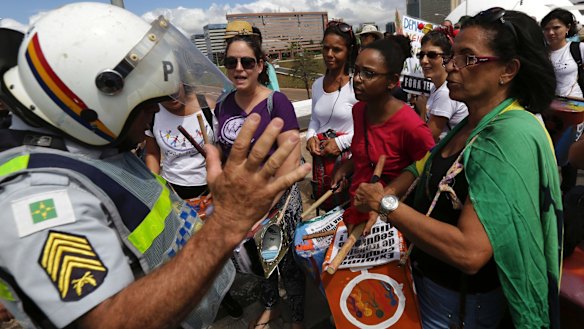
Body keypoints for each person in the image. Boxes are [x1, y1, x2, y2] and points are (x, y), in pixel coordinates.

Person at [0, 3, 310, 329]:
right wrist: (226, 225)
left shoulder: (93, 145)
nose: (154, 116)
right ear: (99, 98)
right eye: (149, 104)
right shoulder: (39, 195)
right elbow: (106, 322)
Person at [354, 8, 562, 328]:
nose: (450, 66)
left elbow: (470, 252)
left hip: (458, 309)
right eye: (453, 55)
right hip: (431, 289)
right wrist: (390, 189)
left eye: (467, 58)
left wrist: (384, 204)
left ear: (508, 70)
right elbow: (425, 163)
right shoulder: (472, 121)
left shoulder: (507, 135)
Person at [215, 33, 306, 329]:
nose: (239, 68)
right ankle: (272, 305)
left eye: (246, 62)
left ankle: (298, 313)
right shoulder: (223, 104)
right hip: (245, 202)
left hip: (279, 198)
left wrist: (267, 200)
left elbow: (291, 156)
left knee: (287, 261)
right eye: (231, 62)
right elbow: (225, 152)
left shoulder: (276, 102)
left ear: (260, 65)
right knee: (259, 262)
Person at [332, 37, 435, 232]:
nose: (357, 79)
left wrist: (385, 202)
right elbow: (365, 152)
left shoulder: (411, 125)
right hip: (356, 213)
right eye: (356, 70)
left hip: (390, 223)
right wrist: (346, 167)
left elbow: (426, 170)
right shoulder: (359, 110)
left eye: (368, 74)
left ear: (392, 81)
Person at [306, 20, 358, 211]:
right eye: (325, 48)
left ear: (349, 51)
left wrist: (340, 144)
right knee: (325, 213)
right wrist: (310, 136)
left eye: (336, 49)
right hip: (321, 165)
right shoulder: (317, 84)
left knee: (346, 213)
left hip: (348, 165)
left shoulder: (357, 86)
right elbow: (315, 119)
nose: (329, 54)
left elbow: (368, 130)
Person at [144, 85, 215, 199]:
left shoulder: (207, 105)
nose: (172, 97)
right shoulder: (152, 113)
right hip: (172, 189)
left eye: (174, 90)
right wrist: (154, 186)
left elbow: (224, 146)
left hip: (210, 186)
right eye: (165, 93)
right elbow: (152, 153)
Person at [541, 8, 584, 192]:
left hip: (574, 111)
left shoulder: (578, 49)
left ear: (567, 28)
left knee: (568, 158)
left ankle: (568, 200)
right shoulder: (541, 53)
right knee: (548, 154)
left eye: (556, 28)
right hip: (548, 111)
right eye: (547, 28)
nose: (551, 32)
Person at [414, 29, 468, 141]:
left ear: (447, 58)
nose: (424, 61)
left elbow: (426, 139)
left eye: (432, 55)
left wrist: (422, 110)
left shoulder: (446, 92)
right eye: (421, 55)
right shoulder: (437, 87)